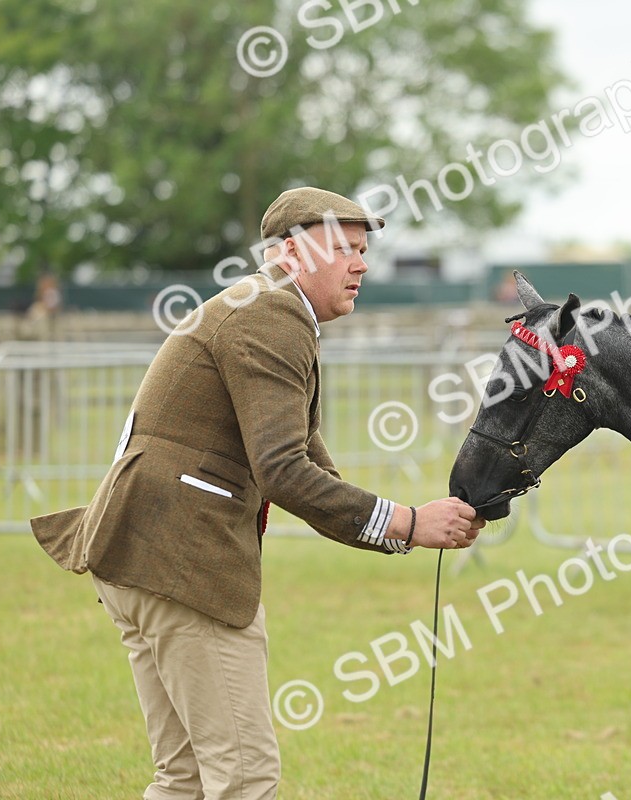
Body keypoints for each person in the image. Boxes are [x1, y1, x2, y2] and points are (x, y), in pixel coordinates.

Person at [30, 187, 485, 799]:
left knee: (185, 778)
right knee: (243, 777)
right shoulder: (273, 314)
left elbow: (304, 460)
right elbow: (284, 472)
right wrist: (406, 523)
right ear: (293, 253)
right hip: (181, 566)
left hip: (137, 556)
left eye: (364, 249)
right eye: (345, 248)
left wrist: (413, 525)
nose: (362, 263)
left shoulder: (259, 306)